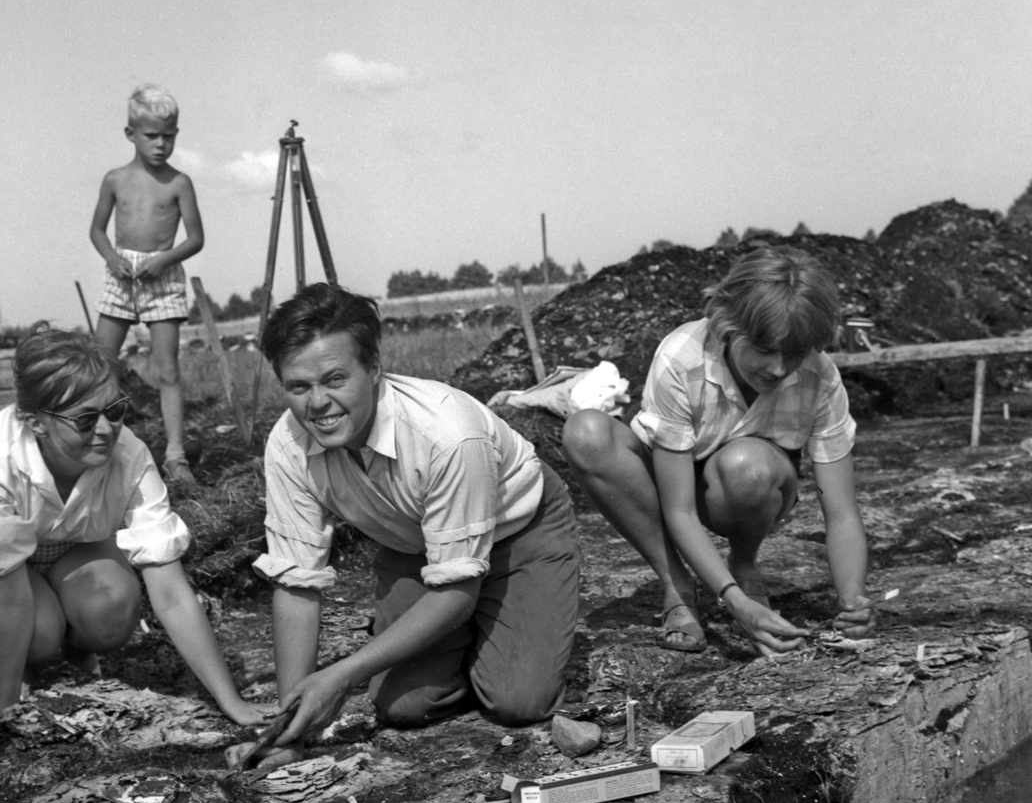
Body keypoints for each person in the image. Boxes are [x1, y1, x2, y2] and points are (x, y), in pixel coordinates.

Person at [250, 282, 581, 757]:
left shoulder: (447, 435)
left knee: (519, 701)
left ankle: (509, 622)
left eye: (335, 379)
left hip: (517, 531)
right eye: (298, 387)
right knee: (403, 708)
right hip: (416, 545)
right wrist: (291, 729)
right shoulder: (287, 445)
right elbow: (297, 583)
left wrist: (342, 676)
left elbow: (455, 593)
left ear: (375, 369)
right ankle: (469, 642)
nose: (317, 403)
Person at [0, 323, 273, 724]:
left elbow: (171, 593)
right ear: (35, 422)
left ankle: (78, 643)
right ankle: (27, 657)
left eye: (114, 410)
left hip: (74, 543)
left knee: (110, 617)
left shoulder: (130, 455)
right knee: (38, 637)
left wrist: (230, 701)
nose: (105, 430)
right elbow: (9, 596)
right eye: (84, 419)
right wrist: (4, 711)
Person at [563, 245, 875, 657]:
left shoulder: (821, 377)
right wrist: (735, 603)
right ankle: (676, 584)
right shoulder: (683, 358)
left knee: (746, 466)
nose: (779, 369)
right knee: (586, 433)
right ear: (728, 324)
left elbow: (842, 512)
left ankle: (744, 564)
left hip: (744, 487)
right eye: (764, 350)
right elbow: (679, 510)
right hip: (673, 485)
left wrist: (853, 599)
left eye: (795, 353)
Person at [89, 84, 203, 483]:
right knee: (100, 365)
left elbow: (195, 238)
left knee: (167, 370)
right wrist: (113, 258)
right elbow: (97, 231)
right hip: (122, 276)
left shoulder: (179, 183)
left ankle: (176, 456)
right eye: (151, 136)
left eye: (168, 136)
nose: (161, 145)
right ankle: (95, 448)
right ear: (130, 135)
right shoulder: (115, 179)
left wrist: (164, 260)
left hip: (163, 275)